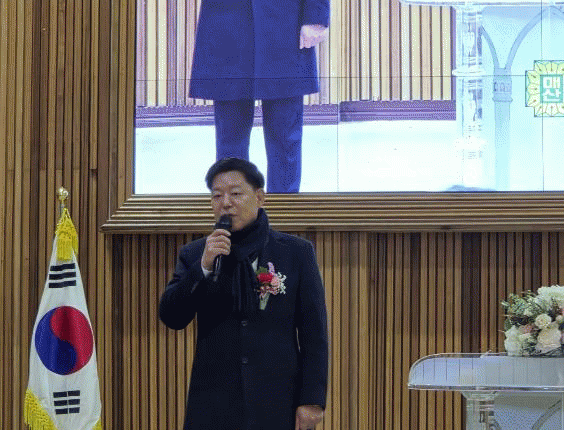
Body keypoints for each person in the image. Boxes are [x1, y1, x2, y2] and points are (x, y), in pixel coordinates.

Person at [159, 157, 329, 430]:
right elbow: (172, 317)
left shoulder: (295, 252)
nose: (225, 203)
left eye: (236, 193)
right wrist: (203, 267)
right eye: (217, 195)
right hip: (213, 405)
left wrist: (312, 400)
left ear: (260, 198)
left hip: (277, 401)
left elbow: (314, 332)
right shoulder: (196, 254)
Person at [188, 0, 330, 193]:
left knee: (285, 136)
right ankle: (233, 206)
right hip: (226, 22)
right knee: (230, 138)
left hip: (286, 22)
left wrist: (316, 16)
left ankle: (284, 207)